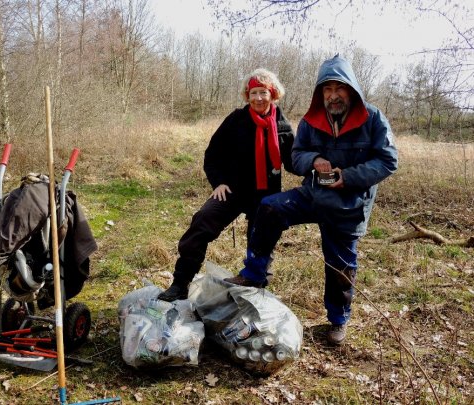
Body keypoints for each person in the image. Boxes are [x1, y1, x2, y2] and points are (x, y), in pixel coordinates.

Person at [224, 55, 399, 345]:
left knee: (340, 265)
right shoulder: (311, 120)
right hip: (313, 193)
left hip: (349, 203)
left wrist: (349, 176)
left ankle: (337, 321)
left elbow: (388, 160)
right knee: (269, 208)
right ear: (320, 93)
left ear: (351, 89)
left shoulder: (373, 118)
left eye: (338, 89)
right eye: (327, 90)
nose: (333, 95)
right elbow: (296, 154)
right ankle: (254, 273)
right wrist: (314, 160)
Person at [157, 68, 295, 302]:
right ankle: (180, 283)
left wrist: (316, 162)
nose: (258, 98)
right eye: (253, 93)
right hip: (232, 190)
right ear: (247, 95)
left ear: (273, 94)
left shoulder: (282, 126)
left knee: (261, 241)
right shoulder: (236, 120)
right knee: (201, 222)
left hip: (265, 197)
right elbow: (213, 154)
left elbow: (293, 163)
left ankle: (254, 292)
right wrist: (218, 182)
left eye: (264, 92)